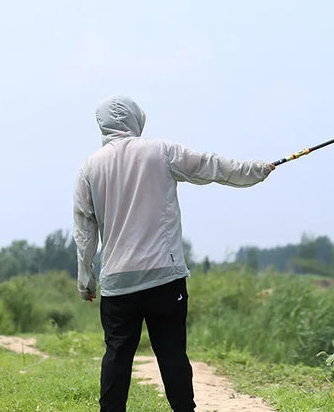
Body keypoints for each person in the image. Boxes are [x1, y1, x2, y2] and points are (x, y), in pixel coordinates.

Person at [73, 95, 273, 412]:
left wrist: (86, 280)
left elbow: (85, 231)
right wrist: (257, 170)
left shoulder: (89, 168)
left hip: (117, 283)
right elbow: (212, 166)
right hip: (164, 278)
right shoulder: (161, 152)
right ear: (135, 119)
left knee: (117, 355)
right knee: (171, 353)